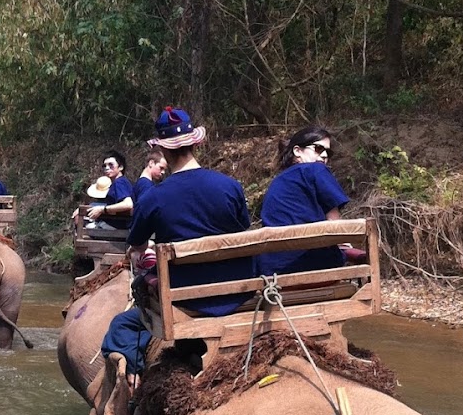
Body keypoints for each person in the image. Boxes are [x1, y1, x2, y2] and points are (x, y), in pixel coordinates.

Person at [126, 107, 253, 318]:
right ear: (196, 143)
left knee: (123, 325)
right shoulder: (230, 186)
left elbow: (138, 246)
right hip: (237, 290)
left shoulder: (151, 198)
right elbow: (243, 231)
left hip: (183, 295)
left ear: (163, 151)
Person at [258, 127, 351, 276]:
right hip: (309, 264)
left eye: (329, 152)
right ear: (297, 151)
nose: (325, 155)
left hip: (272, 271)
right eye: (318, 148)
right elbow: (335, 224)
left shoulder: (278, 181)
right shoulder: (315, 170)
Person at [85, 152, 135, 229]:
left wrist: (103, 210)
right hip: (119, 226)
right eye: (104, 166)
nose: (107, 168)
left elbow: (128, 204)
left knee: (85, 225)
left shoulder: (119, 183)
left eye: (111, 165)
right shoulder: (120, 182)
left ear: (120, 167)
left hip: (118, 228)